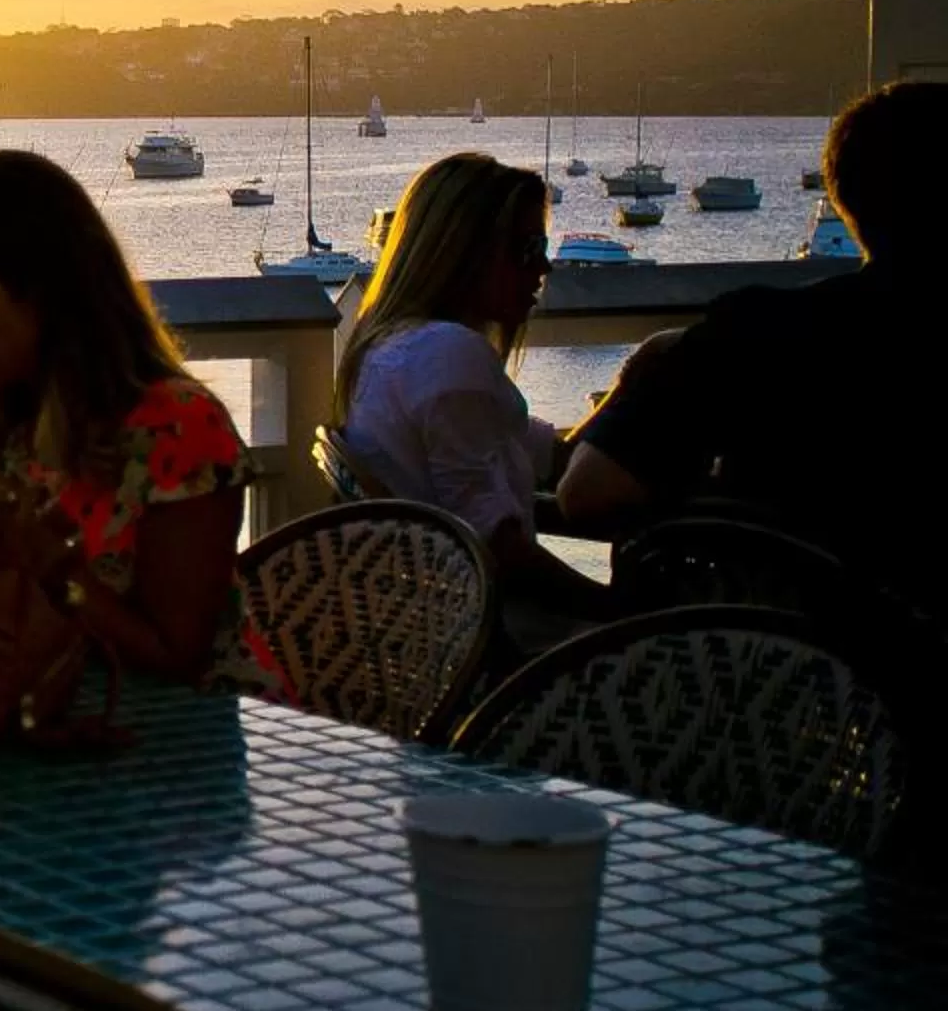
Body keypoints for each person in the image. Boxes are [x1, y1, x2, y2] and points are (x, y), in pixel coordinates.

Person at [559, 81, 948, 587]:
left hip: (790, 644)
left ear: (844, 195)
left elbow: (588, 494)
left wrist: (651, 365)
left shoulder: (758, 335)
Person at [0, 151, 256, 687]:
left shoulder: (178, 431)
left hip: (182, 742)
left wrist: (12, 523)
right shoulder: (6, 414)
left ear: (42, 298)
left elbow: (176, 659)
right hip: (36, 721)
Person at [331, 153, 613, 643]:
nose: (545, 266)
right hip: (500, 646)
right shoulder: (448, 356)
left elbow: (551, 456)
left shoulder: (390, 348)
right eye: (528, 249)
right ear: (466, 254)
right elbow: (497, 549)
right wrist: (624, 608)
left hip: (429, 630)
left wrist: (630, 394)